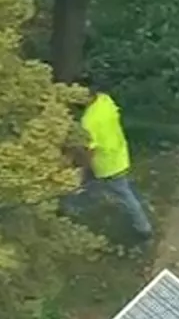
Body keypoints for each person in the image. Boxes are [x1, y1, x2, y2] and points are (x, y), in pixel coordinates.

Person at [63, 75, 154, 240]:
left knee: (122, 194)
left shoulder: (89, 121)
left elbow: (90, 151)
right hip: (119, 153)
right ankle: (73, 208)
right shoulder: (104, 100)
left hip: (106, 163)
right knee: (118, 189)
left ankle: (143, 228)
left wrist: (80, 169)